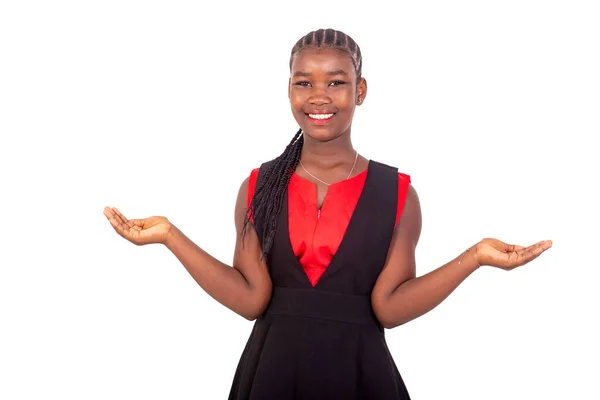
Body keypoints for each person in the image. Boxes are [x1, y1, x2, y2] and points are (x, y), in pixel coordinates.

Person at [103, 28, 552, 399]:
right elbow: (250, 299)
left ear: (360, 90)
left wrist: (473, 257)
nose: (320, 96)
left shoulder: (396, 194)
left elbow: (389, 307)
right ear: (289, 90)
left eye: (336, 82)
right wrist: (170, 237)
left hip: (361, 378)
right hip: (271, 377)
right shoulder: (259, 187)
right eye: (304, 82)